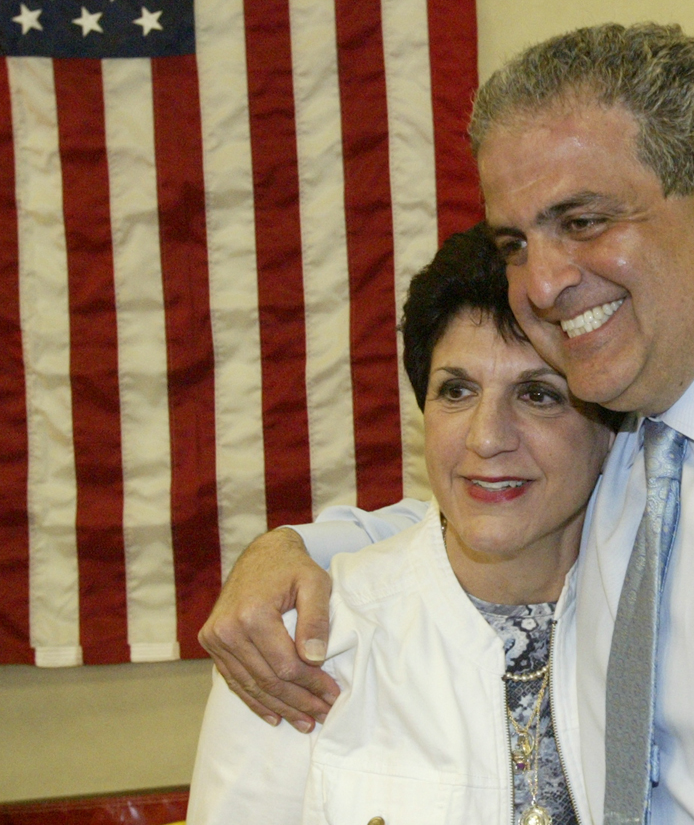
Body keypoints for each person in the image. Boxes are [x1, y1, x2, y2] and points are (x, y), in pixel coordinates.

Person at [200, 23, 694, 824]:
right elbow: (489, 512)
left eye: (584, 221)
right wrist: (293, 549)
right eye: (516, 241)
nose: (545, 281)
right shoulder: (637, 435)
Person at [186, 223, 614, 825]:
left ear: (613, 426)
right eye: (456, 391)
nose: (487, 438)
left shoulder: (663, 622)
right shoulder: (301, 647)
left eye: (539, 395)